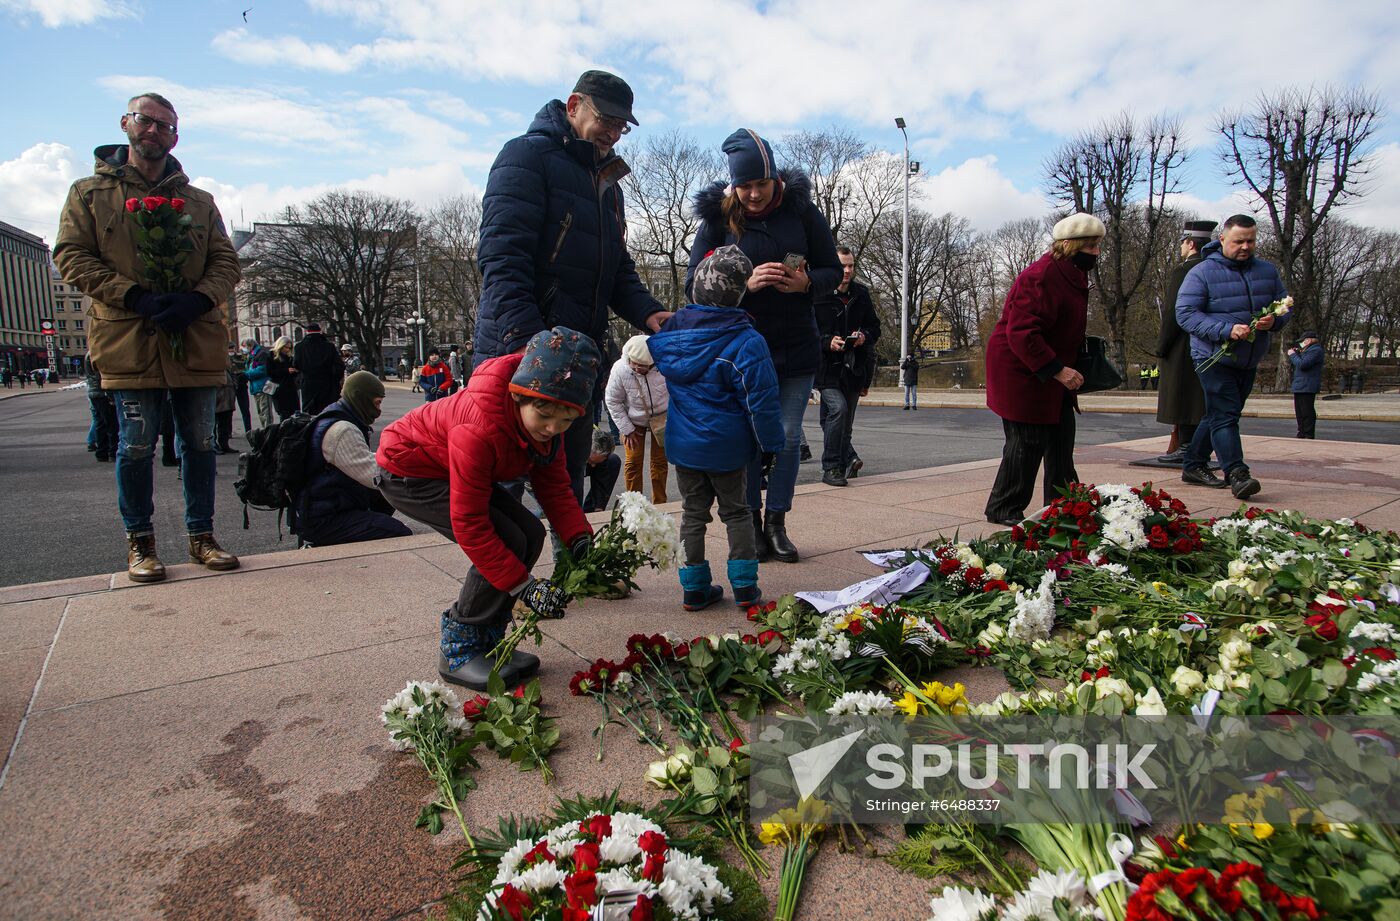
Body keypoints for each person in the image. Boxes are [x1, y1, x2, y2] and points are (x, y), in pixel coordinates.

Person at [54, 91, 242, 582]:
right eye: (145, 121)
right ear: (126, 124)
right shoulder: (89, 194)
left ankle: (201, 536)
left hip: (194, 336)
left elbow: (226, 260)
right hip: (128, 336)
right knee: (135, 444)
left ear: (175, 135)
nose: (153, 131)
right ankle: (141, 543)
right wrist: (132, 296)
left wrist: (200, 299)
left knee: (200, 443)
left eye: (163, 125)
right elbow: (71, 256)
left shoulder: (199, 201)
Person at [475, 69, 669, 506]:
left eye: (623, 127)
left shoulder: (607, 184)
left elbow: (617, 270)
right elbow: (502, 262)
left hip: (578, 354)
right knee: (501, 487)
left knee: (565, 484)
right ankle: (501, 577)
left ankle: (572, 571)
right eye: (608, 121)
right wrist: (530, 346)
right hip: (521, 351)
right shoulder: (525, 157)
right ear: (574, 105)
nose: (615, 134)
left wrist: (648, 312)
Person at [375, 327, 599, 690]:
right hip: (407, 471)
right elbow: (470, 524)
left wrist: (579, 539)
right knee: (505, 539)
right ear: (518, 395)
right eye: (543, 414)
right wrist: (524, 587)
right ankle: (459, 649)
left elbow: (555, 488)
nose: (553, 428)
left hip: (445, 467)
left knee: (530, 532)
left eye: (566, 420)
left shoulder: (547, 427)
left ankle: (489, 642)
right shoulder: (478, 428)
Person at [689, 128, 839, 564]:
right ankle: (749, 522)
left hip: (795, 346)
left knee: (788, 438)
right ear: (733, 185)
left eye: (762, 183)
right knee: (752, 440)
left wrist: (806, 283)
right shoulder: (718, 219)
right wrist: (742, 283)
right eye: (745, 185)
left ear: (776, 179)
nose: (754, 194)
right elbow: (692, 285)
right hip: (739, 352)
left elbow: (832, 270)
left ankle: (778, 522)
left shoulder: (803, 214)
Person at [651, 245, 784, 610]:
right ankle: (744, 587)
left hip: (685, 445)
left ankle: (694, 587)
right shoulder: (745, 340)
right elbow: (760, 401)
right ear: (739, 294)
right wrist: (771, 445)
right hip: (727, 447)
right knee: (737, 512)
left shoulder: (673, 337)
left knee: (693, 514)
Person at [983, 213, 1105, 527]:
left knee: (1061, 439)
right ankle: (1003, 507)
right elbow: (1022, 333)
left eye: (1098, 245)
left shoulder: (1071, 273)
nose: (1096, 253)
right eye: (1090, 246)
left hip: (1048, 371)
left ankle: (1064, 506)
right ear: (1068, 245)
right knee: (1027, 442)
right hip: (1021, 372)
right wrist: (1057, 370)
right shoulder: (1042, 275)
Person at [1176, 214, 1289, 499]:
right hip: (1212, 357)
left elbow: (1282, 309)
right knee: (1225, 415)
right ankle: (1237, 473)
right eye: (1239, 241)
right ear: (1223, 239)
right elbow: (1185, 314)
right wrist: (1226, 330)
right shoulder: (1201, 272)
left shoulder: (1267, 271)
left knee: (1220, 413)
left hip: (1249, 358)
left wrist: (1272, 322)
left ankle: (1193, 464)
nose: (1245, 246)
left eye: (1251, 240)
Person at [293, 370, 412, 547]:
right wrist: (414, 468)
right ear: (361, 398)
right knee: (398, 531)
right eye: (377, 403)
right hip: (324, 518)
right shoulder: (342, 430)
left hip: (326, 505)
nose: (379, 410)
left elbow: (361, 459)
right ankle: (319, 545)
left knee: (386, 498)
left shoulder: (336, 415)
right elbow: (373, 475)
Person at [814, 245, 880, 487]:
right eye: (843, 265)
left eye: (851, 265)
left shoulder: (861, 294)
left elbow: (875, 327)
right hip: (826, 368)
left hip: (853, 367)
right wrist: (826, 341)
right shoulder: (818, 294)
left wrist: (864, 336)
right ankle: (832, 466)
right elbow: (807, 330)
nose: (848, 270)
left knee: (840, 422)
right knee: (838, 410)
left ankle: (846, 462)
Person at [1153, 220, 1215, 464]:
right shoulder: (1214, 268)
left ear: (1190, 243)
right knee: (1199, 395)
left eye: (1182, 242)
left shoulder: (1186, 269)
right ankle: (1195, 445)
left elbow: (1173, 312)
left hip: (1183, 342)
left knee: (1183, 394)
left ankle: (1187, 445)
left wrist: (1162, 345)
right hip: (1209, 340)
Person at [604, 334, 670, 504]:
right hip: (633, 420)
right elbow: (613, 400)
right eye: (634, 365)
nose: (638, 369)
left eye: (644, 366)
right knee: (633, 462)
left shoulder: (664, 363)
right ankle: (634, 505)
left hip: (663, 417)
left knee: (660, 462)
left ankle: (660, 503)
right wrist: (626, 429)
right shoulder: (620, 369)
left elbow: (676, 391)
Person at [292, 322, 343, 415]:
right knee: (327, 412)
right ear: (320, 332)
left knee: (309, 414)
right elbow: (339, 366)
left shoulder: (299, 347)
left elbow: (296, 364)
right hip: (327, 385)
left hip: (308, 385)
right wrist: (335, 379)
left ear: (307, 332)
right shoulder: (329, 346)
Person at [1288, 332, 1324, 439]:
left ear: (1308, 340)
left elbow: (1303, 364)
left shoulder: (1315, 350)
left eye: (1302, 341)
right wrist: (1298, 353)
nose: (1301, 344)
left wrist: (1293, 355)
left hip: (1307, 385)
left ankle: (1307, 433)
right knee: (1299, 411)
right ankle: (1302, 432)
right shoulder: (1308, 350)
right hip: (1301, 385)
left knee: (1306, 411)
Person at [84, 352, 117, 462]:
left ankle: (102, 453)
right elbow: (101, 376)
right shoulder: (97, 353)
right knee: (111, 424)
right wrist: (110, 395)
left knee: (100, 423)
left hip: (95, 393)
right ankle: (112, 452)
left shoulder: (90, 353)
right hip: (102, 393)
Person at [582, 428, 622, 513]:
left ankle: (591, 511)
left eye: (595, 463)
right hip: (568, 465)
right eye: (591, 461)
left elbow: (601, 481)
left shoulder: (602, 457)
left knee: (612, 461)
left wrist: (599, 507)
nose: (593, 465)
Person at [266, 336, 301, 420]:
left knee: (289, 413)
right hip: (278, 388)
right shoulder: (271, 356)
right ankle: (283, 431)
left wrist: (295, 371)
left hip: (290, 388)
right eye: (286, 347)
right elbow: (270, 372)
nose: (287, 350)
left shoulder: (290, 357)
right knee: (283, 413)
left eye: (289, 348)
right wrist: (286, 371)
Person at [243, 337, 273, 429]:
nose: (243, 348)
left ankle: (268, 432)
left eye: (244, 346)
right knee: (261, 412)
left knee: (265, 412)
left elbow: (262, 370)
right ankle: (265, 431)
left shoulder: (261, 354)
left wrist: (246, 374)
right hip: (256, 387)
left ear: (250, 345)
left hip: (263, 386)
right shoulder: (252, 355)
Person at [214, 349, 237, 453]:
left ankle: (224, 444)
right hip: (218, 398)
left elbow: (233, 375)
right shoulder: (213, 365)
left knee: (225, 424)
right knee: (214, 424)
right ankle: (214, 445)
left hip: (228, 398)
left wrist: (235, 384)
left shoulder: (227, 367)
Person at [230, 342, 252, 433]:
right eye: (229, 348)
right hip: (230, 387)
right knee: (229, 411)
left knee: (245, 410)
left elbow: (246, 367)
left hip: (242, 386)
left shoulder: (241, 357)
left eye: (232, 348)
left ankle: (248, 430)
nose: (231, 350)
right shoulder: (224, 358)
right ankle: (228, 431)